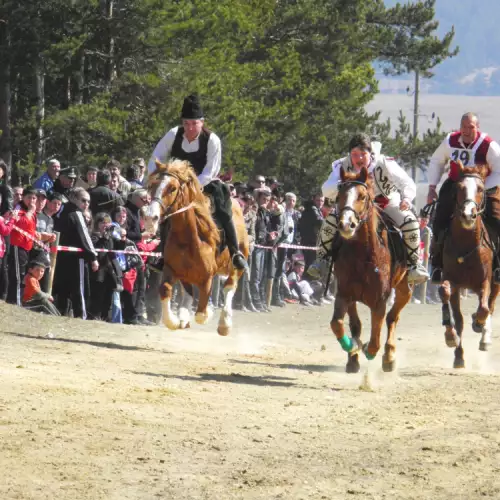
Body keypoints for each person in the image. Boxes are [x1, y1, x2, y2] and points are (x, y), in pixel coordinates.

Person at [147, 94, 247, 270]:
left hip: (205, 183)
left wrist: (191, 188)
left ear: (202, 122)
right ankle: (164, 253)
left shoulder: (212, 140)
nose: (190, 128)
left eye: (194, 124)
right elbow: (156, 157)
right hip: (177, 184)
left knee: (223, 207)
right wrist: (153, 178)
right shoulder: (173, 134)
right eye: (186, 123)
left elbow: (211, 171)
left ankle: (234, 251)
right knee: (165, 209)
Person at [315, 133, 429, 284]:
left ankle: (414, 265)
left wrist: (407, 198)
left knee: (410, 222)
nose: (359, 159)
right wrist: (342, 185)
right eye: (355, 154)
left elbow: (407, 182)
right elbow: (326, 189)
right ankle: (321, 261)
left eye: (363, 154)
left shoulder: (384, 162)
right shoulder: (341, 165)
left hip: (387, 203)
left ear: (371, 153)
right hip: (355, 206)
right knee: (330, 220)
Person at [427, 112, 500, 283]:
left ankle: (497, 265)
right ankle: (437, 264)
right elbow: (437, 160)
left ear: (478, 128)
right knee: (439, 219)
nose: (467, 131)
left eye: (471, 127)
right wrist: (432, 186)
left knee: (497, 220)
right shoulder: (450, 141)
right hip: (455, 186)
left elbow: (499, 169)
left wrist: (483, 186)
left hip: (482, 189)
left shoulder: (488, 145)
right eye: (464, 127)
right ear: (460, 128)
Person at [53, 187, 99, 318]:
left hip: (62, 257)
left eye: (89, 202)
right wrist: (93, 257)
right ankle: (81, 316)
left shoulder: (62, 211)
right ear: (73, 198)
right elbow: (84, 237)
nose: (86, 204)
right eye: (83, 200)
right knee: (79, 289)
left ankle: (63, 314)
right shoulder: (76, 213)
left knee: (64, 290)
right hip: (76, 258)